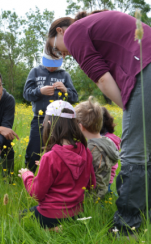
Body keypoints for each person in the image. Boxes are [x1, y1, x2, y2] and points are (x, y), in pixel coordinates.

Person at [45, 10, 151, 236]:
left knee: (133, 156)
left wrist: (130, 108)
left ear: (60, 31)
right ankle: (143, 219)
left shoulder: (74, 31)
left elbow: (103, 79)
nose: (61, 54)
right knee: (146, 156)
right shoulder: (98, 22)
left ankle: (126, 229)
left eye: (55, 48)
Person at [18, 100, 96, 229]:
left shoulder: (50, 157)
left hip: (50, 215)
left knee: (21, 216)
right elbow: (91, 184)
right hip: (77, 213)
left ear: (49, 124)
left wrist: (27, 175)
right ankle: (63, 227)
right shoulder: (85, 151)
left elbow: (37, 194)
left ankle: (53, 228)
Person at [23, 52, 79, 171]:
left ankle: (57, 175)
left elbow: (74, 97)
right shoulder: (35, 72)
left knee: (59, 149)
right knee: (34, 149)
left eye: (54, 65)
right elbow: (26, 94)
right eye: (48, 65)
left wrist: (65, 90)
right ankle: (29, 176)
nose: (51, 68)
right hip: (39, 118)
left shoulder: (64, 75)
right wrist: (40, 91)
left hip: (60, 120)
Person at [75, 96, 118, 199]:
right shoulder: (108, 142)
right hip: (103, 189)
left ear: (81, 127)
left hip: (90, 196)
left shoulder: (90, 149)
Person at [100, 106, 121, 196]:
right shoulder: (112, 137)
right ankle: (110, 193)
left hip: (103, 177)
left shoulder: (104, 140)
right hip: (110, 176)